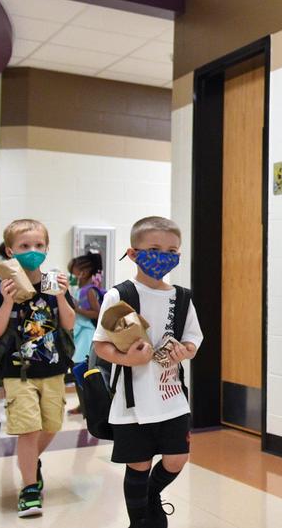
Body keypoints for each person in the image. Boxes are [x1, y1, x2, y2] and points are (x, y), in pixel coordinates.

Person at [91, 216, 202, 528]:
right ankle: (140, 521)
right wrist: (129, 360)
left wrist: (186, 350)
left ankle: (152, 497)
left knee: (177, 458)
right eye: (154, 248)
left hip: (172, 395)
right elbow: (101, 345)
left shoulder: (182, 297)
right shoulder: (120, 295)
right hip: (132, 400)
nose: (163, 255)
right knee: (138, 464)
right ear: (134, 253)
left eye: (171, 249)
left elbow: (194, 337)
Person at [0, 219, 75, 517]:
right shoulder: (3, 287)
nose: (32, 251)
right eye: (24, 246)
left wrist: (61, 295)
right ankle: (29, 489)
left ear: (47, 248)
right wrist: (7, 301)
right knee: (28, 430)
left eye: (38, 245)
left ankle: (29, 463)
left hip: (54, 370)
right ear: (11, 251)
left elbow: (69, 323)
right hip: (17, 372)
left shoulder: (53, 282)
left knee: (51, 427)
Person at [66, 253, 104, 414]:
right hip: (79, 333)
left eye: (74, 271)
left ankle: (88, 406)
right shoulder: (80, 289)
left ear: (85, 271)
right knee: (77, 371)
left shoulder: (89, 290)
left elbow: (97, 313)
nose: (72, 275)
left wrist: (77, 309)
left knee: (81, 371)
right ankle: (84, 406)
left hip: (86, 334)